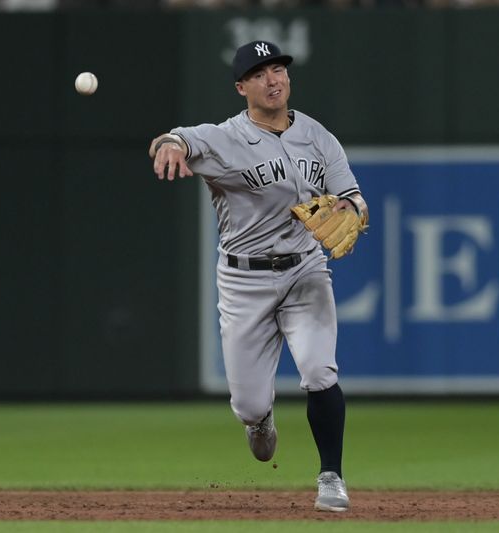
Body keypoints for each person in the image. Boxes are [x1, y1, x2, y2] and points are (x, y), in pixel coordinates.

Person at [148, 40, 368, 512]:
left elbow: (352, 196)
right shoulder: (226, 137)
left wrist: (349, 207)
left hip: (305, 269)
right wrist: (170, 146)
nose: (273, 79)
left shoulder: (319, 137)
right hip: (244, 282)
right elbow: (176, 138)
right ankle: (258, 420)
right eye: (261, 73)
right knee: (248, 404)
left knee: (319, 369)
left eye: (279, 70)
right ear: (241, 86)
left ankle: (331, 476)